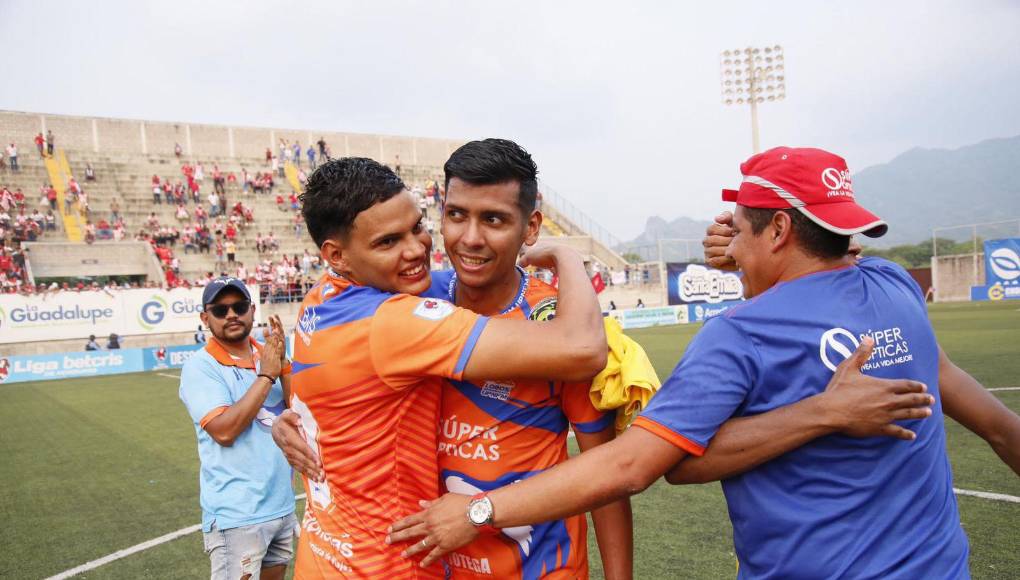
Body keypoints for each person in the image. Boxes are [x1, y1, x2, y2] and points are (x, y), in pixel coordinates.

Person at [387, 146, 983, 579]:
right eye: (455, 215)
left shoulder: (733, 335)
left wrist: (480, 511)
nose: (470, 236)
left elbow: (630, 466)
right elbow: (837, 254)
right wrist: (752, 253)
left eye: (735, 226)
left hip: (536, 562)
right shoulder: (894, 284)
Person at [276, 140, 633, 579]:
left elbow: (604, 474)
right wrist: (290, 421)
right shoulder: (407, 300)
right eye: (457, 215)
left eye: (494, 219)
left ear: (531, 227)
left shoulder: (555, 322)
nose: (470, 238)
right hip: (438, 567)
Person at [178, 278, 296, 580]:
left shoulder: (268, 355)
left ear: (252, 310)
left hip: (281, 506)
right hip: (238, 517)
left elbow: (298, 411)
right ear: (205, 318)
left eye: (239, 307)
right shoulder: (201, 366)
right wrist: (267, 376)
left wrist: (283, 366)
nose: (231, 314)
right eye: (220, 310)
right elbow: (224, 431)